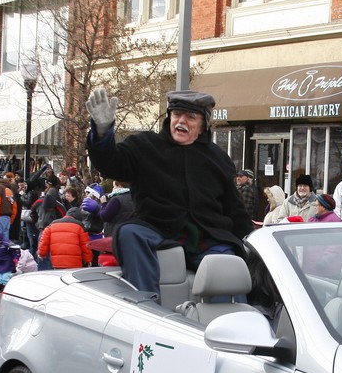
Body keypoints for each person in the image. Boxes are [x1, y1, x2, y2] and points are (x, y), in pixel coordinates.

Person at [85, 87, 254, 296]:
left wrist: (253, 240)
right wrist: (102, 133)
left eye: (190, 117)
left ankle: (234, 321)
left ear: (203, 125)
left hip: (207, 235)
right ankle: (146, 309)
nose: (181, 121)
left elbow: (234, 208)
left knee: (229, 265)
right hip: (156, 226)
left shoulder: (218, 159)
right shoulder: (145, 145)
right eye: (176, 114)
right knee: (129, 233)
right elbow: (110, 163)